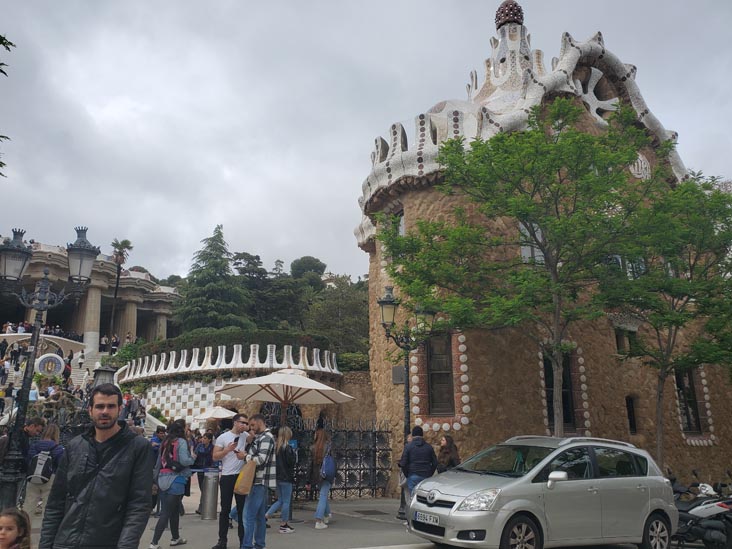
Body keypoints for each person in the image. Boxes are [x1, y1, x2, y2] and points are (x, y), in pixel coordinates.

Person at [39, 383, 153, 549]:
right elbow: (56, 502)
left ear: (120, 409)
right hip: (66, 541)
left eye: (111, 406)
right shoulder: (74, 446)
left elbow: (139, 504)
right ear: (90, 410)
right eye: (100, 406)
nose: (105, 411)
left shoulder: (138, 447)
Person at [149, 419, 193, 549]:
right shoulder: (182, 442)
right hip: (177, 479)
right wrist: (193, 457)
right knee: (167, 512)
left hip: (162, 479)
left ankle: (175, 537)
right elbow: (185, 461)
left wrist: (154, 481)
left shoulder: (165, 443)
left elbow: (158, 463)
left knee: (172, 511)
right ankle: (154, 543)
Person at [211, 413, 250, 549]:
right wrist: (227, 450)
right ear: (235, 422)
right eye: (242, 422)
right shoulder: (223, 437)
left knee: (242, 509)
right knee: (225, 509)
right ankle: (222, 540)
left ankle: (243, 541)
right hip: (227, 476)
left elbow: (255, 440)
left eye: (246, 423)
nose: (245, 425)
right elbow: (215, 456)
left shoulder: (245, 436)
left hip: (241, 476)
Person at [241, 414, 276, 549]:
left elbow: (261, 460)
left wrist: (245, 456)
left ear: (260, 423)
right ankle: (259, 544)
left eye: (253, 425)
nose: (252, 428)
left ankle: (247, 545)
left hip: (259, 481)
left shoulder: (267, 438)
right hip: (260, 481)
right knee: (260, 516)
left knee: (249, 516)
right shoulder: (260, 438)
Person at [25, 425, 64, 528]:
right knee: (47, 507)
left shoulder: (34, 445)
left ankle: (25, 530)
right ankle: (45, 530)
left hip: (33, 477)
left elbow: (29, 460)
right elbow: (61, 465)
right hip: (50, 478)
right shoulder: (58, 448)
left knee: (29, 505)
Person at [265, 426, 296, 533]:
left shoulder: (276, 447)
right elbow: (291, 463)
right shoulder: (287, 448)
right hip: (286, 477)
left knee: (280, 500)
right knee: (286, 501)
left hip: (277, 477)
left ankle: (266, 515)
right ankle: (284, 524)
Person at [398, 426, 438, 496]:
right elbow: (435, 463)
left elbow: (403, 463)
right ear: (422, 435)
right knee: (424, 497)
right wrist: (430, 473)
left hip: (413, 474)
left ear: (413, 435)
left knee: (413, 497)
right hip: (426, 475)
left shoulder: (408, 447)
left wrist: (407, 474)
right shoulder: (429, 447)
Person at [310, 427, 333, 529]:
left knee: (323, 494)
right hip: (326, 474)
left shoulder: (312, 447)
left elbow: (309, 464)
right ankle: (319, 520)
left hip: (317, 475)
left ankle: (327, 514)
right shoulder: (328, 447)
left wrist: (308, 479)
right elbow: (333, 461)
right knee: (323, 496)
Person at [193, 433, 214, 514]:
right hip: (200, 470)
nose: (203, 440)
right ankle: (203, 507)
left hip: (209, 471)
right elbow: (195, 454)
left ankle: (202, 507)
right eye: (203, 438)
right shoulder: (199, 446)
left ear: (209, 439)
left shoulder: (212, 448)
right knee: (202, 489)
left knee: (206, 489)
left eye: (205, 438)